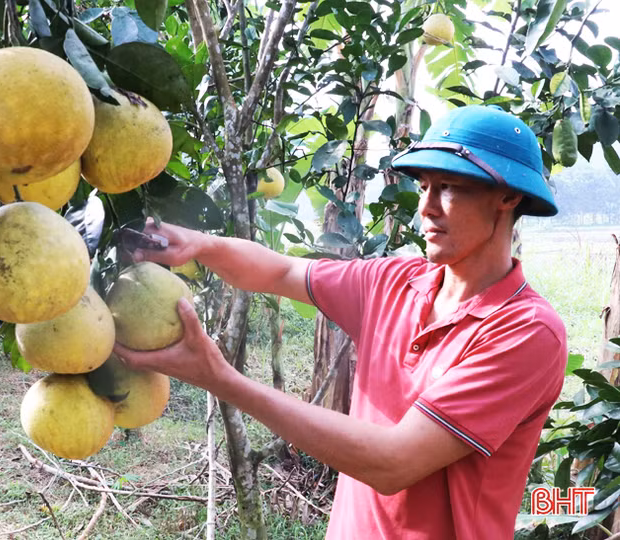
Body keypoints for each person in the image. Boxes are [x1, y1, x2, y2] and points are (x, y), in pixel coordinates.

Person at [114, 105, 567, 539]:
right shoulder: (396, 281)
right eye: (423, 186)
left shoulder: (525, 332)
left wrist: (219, 378)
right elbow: (281, 270)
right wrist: (197, 245)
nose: (426, 208)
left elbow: (394, 463)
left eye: (449, 187)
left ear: (508, 196)